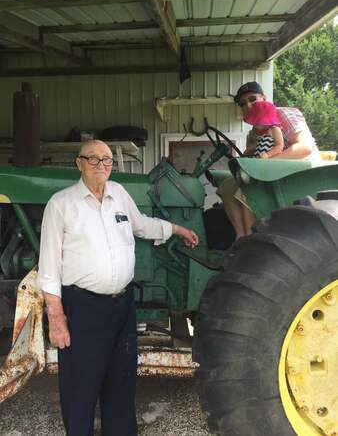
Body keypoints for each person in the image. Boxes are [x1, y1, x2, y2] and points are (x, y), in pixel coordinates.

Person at [37, 139, 199, 436]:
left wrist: (176, 229)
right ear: (79, 163)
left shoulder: (119, 194)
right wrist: (57, 319)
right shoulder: (61, 204)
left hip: (122, 307)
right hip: (83, 307)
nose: (102, 165)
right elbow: (48, 269)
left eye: (107, 160)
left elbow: (141, 225)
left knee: (121, 383)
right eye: (94, 159)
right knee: (81, 386)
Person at [218, 81, 320, 238]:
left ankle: (252, 241)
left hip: (301, 172)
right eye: (243, 103)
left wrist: (265, 165)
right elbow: (253, 158)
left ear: (264, 98)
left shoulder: (283, 114)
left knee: (249, 191)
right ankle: (241, 238)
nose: (248, 105)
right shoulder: (255, 131)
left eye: (253, 99)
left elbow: (304, 147)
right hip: (274, 176)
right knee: (227, 187)